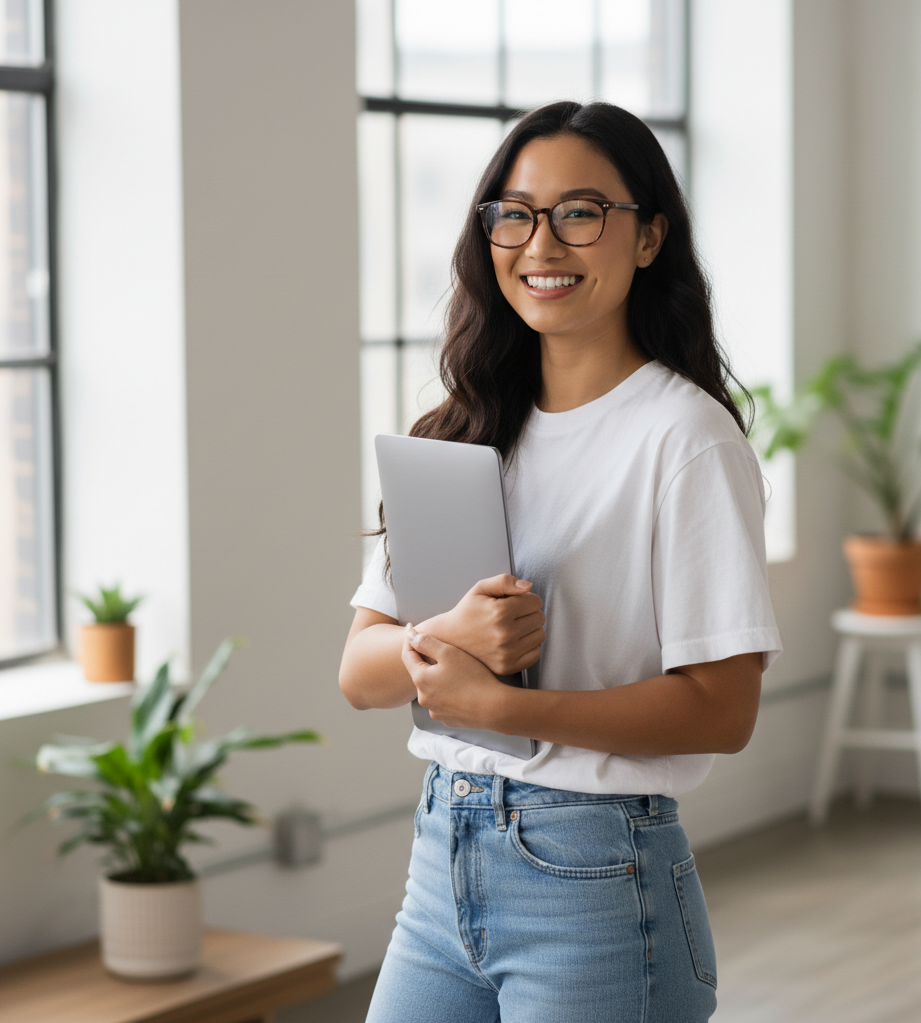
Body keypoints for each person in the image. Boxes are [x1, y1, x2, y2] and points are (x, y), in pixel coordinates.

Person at [339, 100, 781, 1023]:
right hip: (441, 860)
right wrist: (449, 635)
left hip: (595, 878)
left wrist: (508, 708)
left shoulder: (684, 438)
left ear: (649, 236)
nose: (541, 244)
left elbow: (723, 708)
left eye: (581, 212)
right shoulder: (460, 433)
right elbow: (360, 673)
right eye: (515, 214)